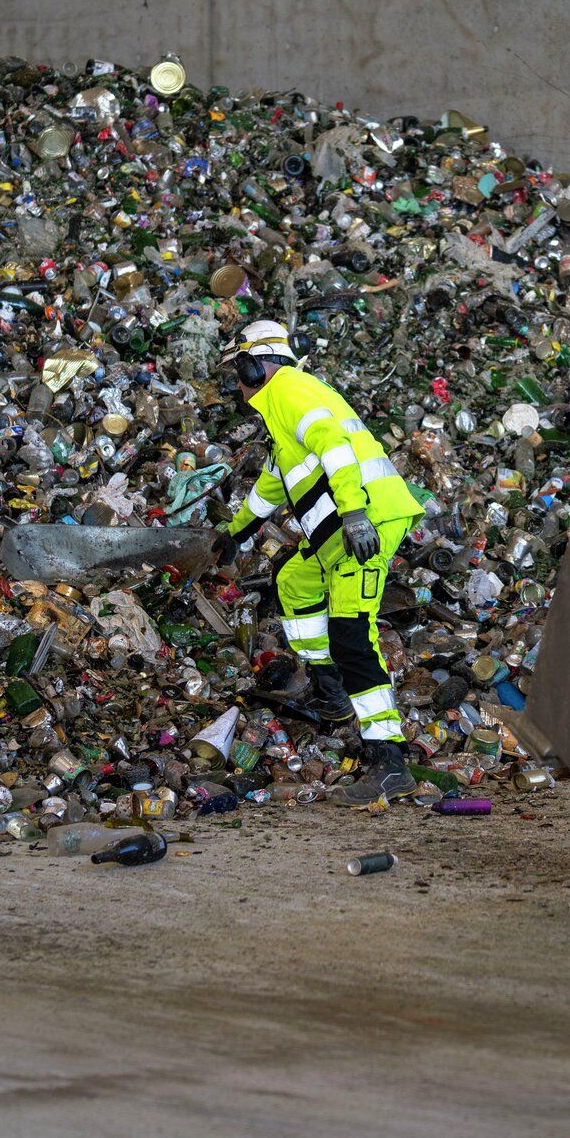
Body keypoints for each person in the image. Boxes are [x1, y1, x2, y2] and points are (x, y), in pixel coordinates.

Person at [213, 319, 424, 803]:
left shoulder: (289, 388)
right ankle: (330, 694)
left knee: (352, 636)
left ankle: (389, 761)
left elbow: (333, 445)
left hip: (365, 521)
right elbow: (274, 481)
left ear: (255, 363)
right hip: (337, 531)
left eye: (238, 371)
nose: (237, 385)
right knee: (294, 579)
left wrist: (353, 513)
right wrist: (237, 533)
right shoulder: (280, 411)